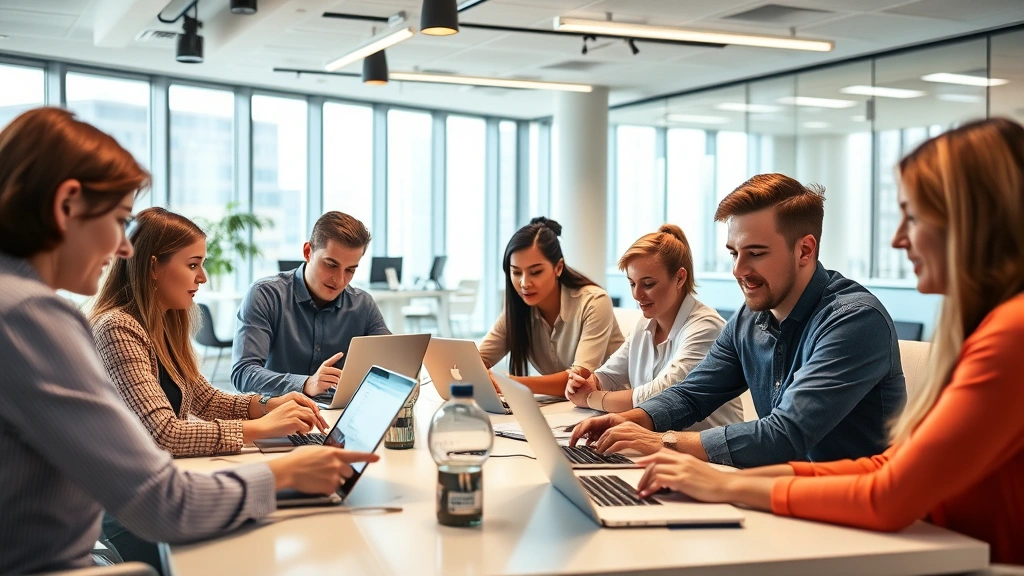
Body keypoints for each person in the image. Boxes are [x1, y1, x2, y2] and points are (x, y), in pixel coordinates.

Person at [0, 107, 377, 574]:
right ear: (67, 204)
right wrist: (283, 471)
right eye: (119, 220)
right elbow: (160, 496)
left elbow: (195, 396)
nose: (123, 248)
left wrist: (264, 409)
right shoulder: (30, 315)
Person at [631, 118, 1024, 566]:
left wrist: (717, 478)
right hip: (916, 544)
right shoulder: (990, 328)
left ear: (973, 223)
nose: (897, 239)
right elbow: (889, 468)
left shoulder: (1010, 334)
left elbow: (887, 492)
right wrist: (704, 473)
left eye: (912, 217)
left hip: (946, 558)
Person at [571, 173, 906, 468]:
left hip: (851, 514)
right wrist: (627, 421)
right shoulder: (750, 318)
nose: (739, 270)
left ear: (805, 250)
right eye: (734, 253)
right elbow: (692, 395)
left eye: (756, 253)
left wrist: (662, 442)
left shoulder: (854, 321)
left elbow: (784, 435)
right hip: (780, 494)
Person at [91, 207, 329, 458]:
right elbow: (163, 434)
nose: (202, 278)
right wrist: (261, 427)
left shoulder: (163, 324)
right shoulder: (116, 327)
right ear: (153, 267)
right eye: (193, 265)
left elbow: (205, 400)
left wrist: (268, 404)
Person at [565, 224, 743, 430]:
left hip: (712, 458)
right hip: (661, 447)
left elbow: (661, 394)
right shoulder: (645, 323)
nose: (636, 294)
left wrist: (591, 398)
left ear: (680, 278)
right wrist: (586, 383)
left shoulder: (706, 327)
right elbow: (609, 375)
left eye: (648, 284)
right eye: (632, 283)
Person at [231, 211, 390, 398]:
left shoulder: (363, 304)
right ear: (308, 252)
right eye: (330, 264)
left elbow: (390, 366)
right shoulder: (266, 294)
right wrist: (305, 383)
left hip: (340, 414)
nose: (339, 280)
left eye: (350, 270)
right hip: (280, 414)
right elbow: (243, 373)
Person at [478, 217, 625, 397]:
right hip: (565, 408)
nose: (524, 283)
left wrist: (507, 383)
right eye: (516, 272)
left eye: (535, 272)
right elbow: (474, 361)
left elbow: (579, 380)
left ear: (559, 267)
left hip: (612, 404)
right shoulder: (518, 310)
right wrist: (478, 373)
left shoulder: (594, 302)